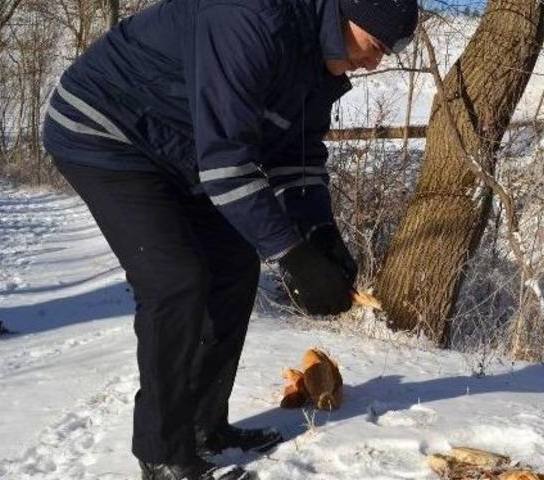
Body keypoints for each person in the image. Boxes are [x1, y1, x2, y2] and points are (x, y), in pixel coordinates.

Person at [41, 0, 418, 477]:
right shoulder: (251, 19)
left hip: (182, 145)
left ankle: (203, 427)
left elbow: (296, 155)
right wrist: (292, 254)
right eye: (374, 46)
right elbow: (227, 166)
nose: (373, 62)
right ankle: (162, 451)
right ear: (348, 15)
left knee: (236, 265)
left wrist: (319, 232)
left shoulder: (320, 56)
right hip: (106, 130)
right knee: (175, 280)